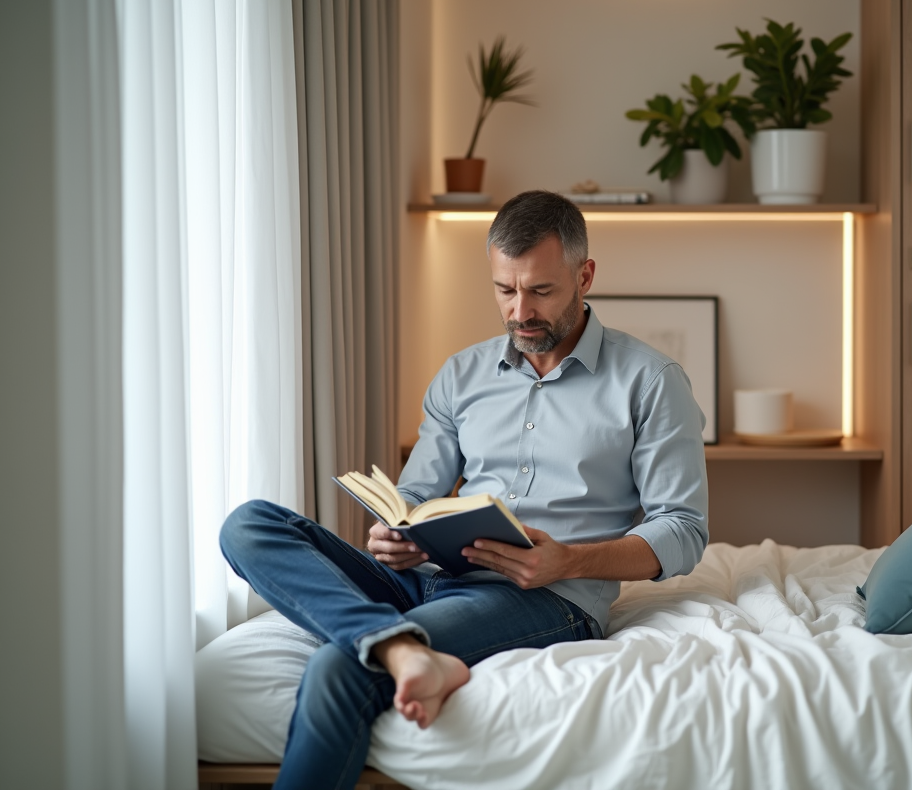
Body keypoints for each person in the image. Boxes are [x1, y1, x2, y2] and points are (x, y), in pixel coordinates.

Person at [219, 189, 708, 789]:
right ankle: (402, 647)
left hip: (544, 596)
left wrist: (567, 561)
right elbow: (418, 492)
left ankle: (384, 644)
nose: (519, 310)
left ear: (585, 276)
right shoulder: (461, 375)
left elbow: (683, 528)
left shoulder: (651, 382)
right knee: (249, 525)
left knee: (337, 667)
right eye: (505, 290)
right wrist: (400, 532)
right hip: (425, 577)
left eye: (540, 291)